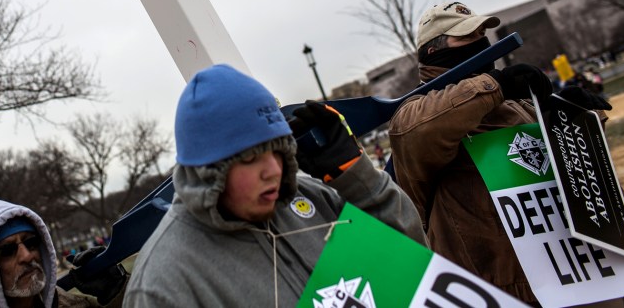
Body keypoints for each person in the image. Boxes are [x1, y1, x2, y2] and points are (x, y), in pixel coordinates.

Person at [124, 63, 425, 307]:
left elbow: (416, 269)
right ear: (208, 170)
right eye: (251, 158)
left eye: (278, 150)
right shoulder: (163, 284)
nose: (272, 170)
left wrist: (359, 179)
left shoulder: (315, 198)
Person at [389, 1, 615, 305]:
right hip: (502, 295)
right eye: (467, 36)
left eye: (483, 32)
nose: (481, 41)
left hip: (580, 277)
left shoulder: (517, 104)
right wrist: (495, 85)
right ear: (433, 50)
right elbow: (420, 129)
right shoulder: (414, 114)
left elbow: (587, 185)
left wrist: (575, 116)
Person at [0, 197, 127, 308]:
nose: (27, 256)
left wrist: (117, 291)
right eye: (7, 250)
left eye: (31, 242)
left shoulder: (74, 305)